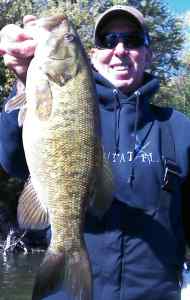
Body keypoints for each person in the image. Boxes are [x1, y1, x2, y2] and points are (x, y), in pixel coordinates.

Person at [0, 5, 190, 300]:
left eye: (134, 40)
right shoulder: (53, 90)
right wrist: (24, 80)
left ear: (150, 54)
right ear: (93, 54)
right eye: (108, 40)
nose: (120, 49)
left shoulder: (179, 129)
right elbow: (10, 159)